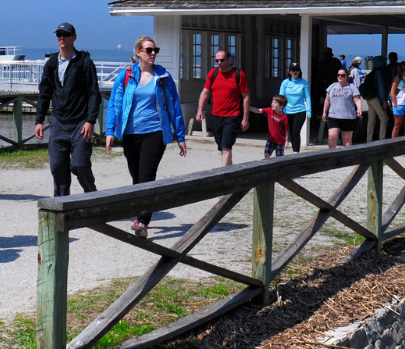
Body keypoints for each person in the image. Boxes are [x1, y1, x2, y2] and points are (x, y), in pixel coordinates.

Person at [105, 36, 187, 237]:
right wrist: (109, 131)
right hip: (130, 134)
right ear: (138, 52)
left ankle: (142, 221)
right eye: (149, 50)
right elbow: (114, 104)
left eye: (155, 50)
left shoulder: (163, 77)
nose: (153, 53)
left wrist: (180, 135)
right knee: (136, 177)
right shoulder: (125, 76)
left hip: (155, 133)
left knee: (147, 176)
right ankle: (140, 212)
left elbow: (174, 106)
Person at [34, 22, 101, 196]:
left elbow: (94, 93)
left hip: (80, 123)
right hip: (58, 123)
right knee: (57, 166)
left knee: (79, 165)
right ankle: (62, 205)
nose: (62, 38)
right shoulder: (52, 63)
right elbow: (44, 93)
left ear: (74, 37)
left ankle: (91, 195)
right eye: (59, 35)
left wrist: (90, 120)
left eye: (66, 34)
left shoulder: (84, 62)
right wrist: (39, 120)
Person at [195, 49, 249, 166]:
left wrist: (245, 118)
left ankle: (223, 177)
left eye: (222, 60)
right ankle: (231, 172)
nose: (219, 63)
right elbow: (205, 92)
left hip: (233, 116)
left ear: (229, 60)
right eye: (217, 60)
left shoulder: (238, 75)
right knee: (221, 146)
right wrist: (200, 110)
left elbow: (246, 97)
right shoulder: (213, 73)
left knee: (226, 147)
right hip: (217, 115)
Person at [322, 68, 362, 148]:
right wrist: (324, 112)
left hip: (348, 117)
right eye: (338, 75)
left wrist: (359, 109)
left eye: (343, 75)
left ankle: (347, 158)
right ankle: (331, 156)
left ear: (347, 76)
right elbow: (327, 100)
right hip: (333, 116)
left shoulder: (352, 87)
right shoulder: (332, 86)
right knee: (332, 136)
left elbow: (357, 99)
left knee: (346, 139)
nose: (340, 77)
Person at [277, 63, 311, 153]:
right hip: (287, 111)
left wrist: (309, 110)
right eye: (293, 70)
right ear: (290, 72)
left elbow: (307, 97)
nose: (295, 72)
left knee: (296, 131)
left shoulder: (303, 82)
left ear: (299, 71)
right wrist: (280, 110)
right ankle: (281, 151)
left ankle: (296, 152)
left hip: (300, 110)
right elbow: (281, 97)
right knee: (288, 131)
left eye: (297, 70)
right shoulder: (285, 83)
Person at [363, 56, 393, 142]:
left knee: (371, 119)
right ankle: (382, 139)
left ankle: (369, 139)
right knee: (384, 118)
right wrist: (384, 100)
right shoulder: (379, 72)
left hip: (369, 97)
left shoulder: (372, 72)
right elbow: (381, 87)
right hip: (375, 97)